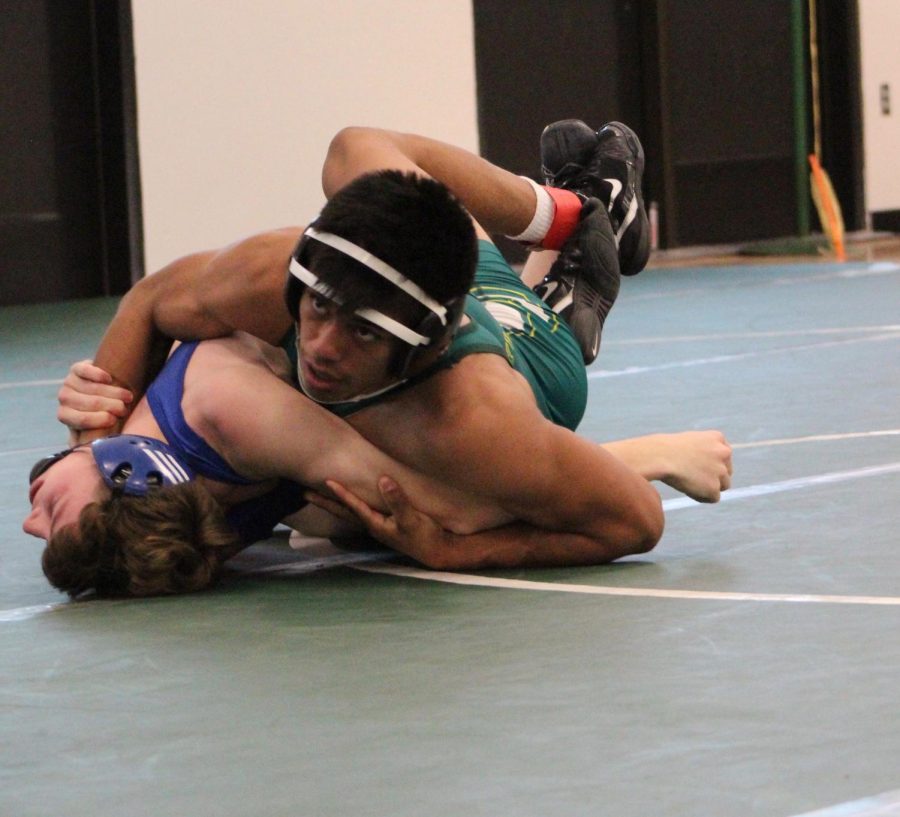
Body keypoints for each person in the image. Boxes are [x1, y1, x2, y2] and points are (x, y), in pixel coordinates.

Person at [57, 120, 733, 571]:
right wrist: (94, 441)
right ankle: (575, 209)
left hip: (531, 357)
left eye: (361, 335)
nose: (320, 347)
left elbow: (634, 521)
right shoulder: (278, 273)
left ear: (421, 345)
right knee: (355, 145)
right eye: (318, 309)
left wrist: (451, 551)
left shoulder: (471, 415)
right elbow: (149, 301)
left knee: (420, 504)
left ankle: (571, 294)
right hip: (439, 281)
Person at [27, 333, 510, 597]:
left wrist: (451, 545)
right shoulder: (157, 531)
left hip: (432, 350)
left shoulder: (231, 411)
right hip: (369, 413)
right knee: (341, 524)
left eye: (50, 508)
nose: (30, 523)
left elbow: (457, 509)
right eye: (50, 513)